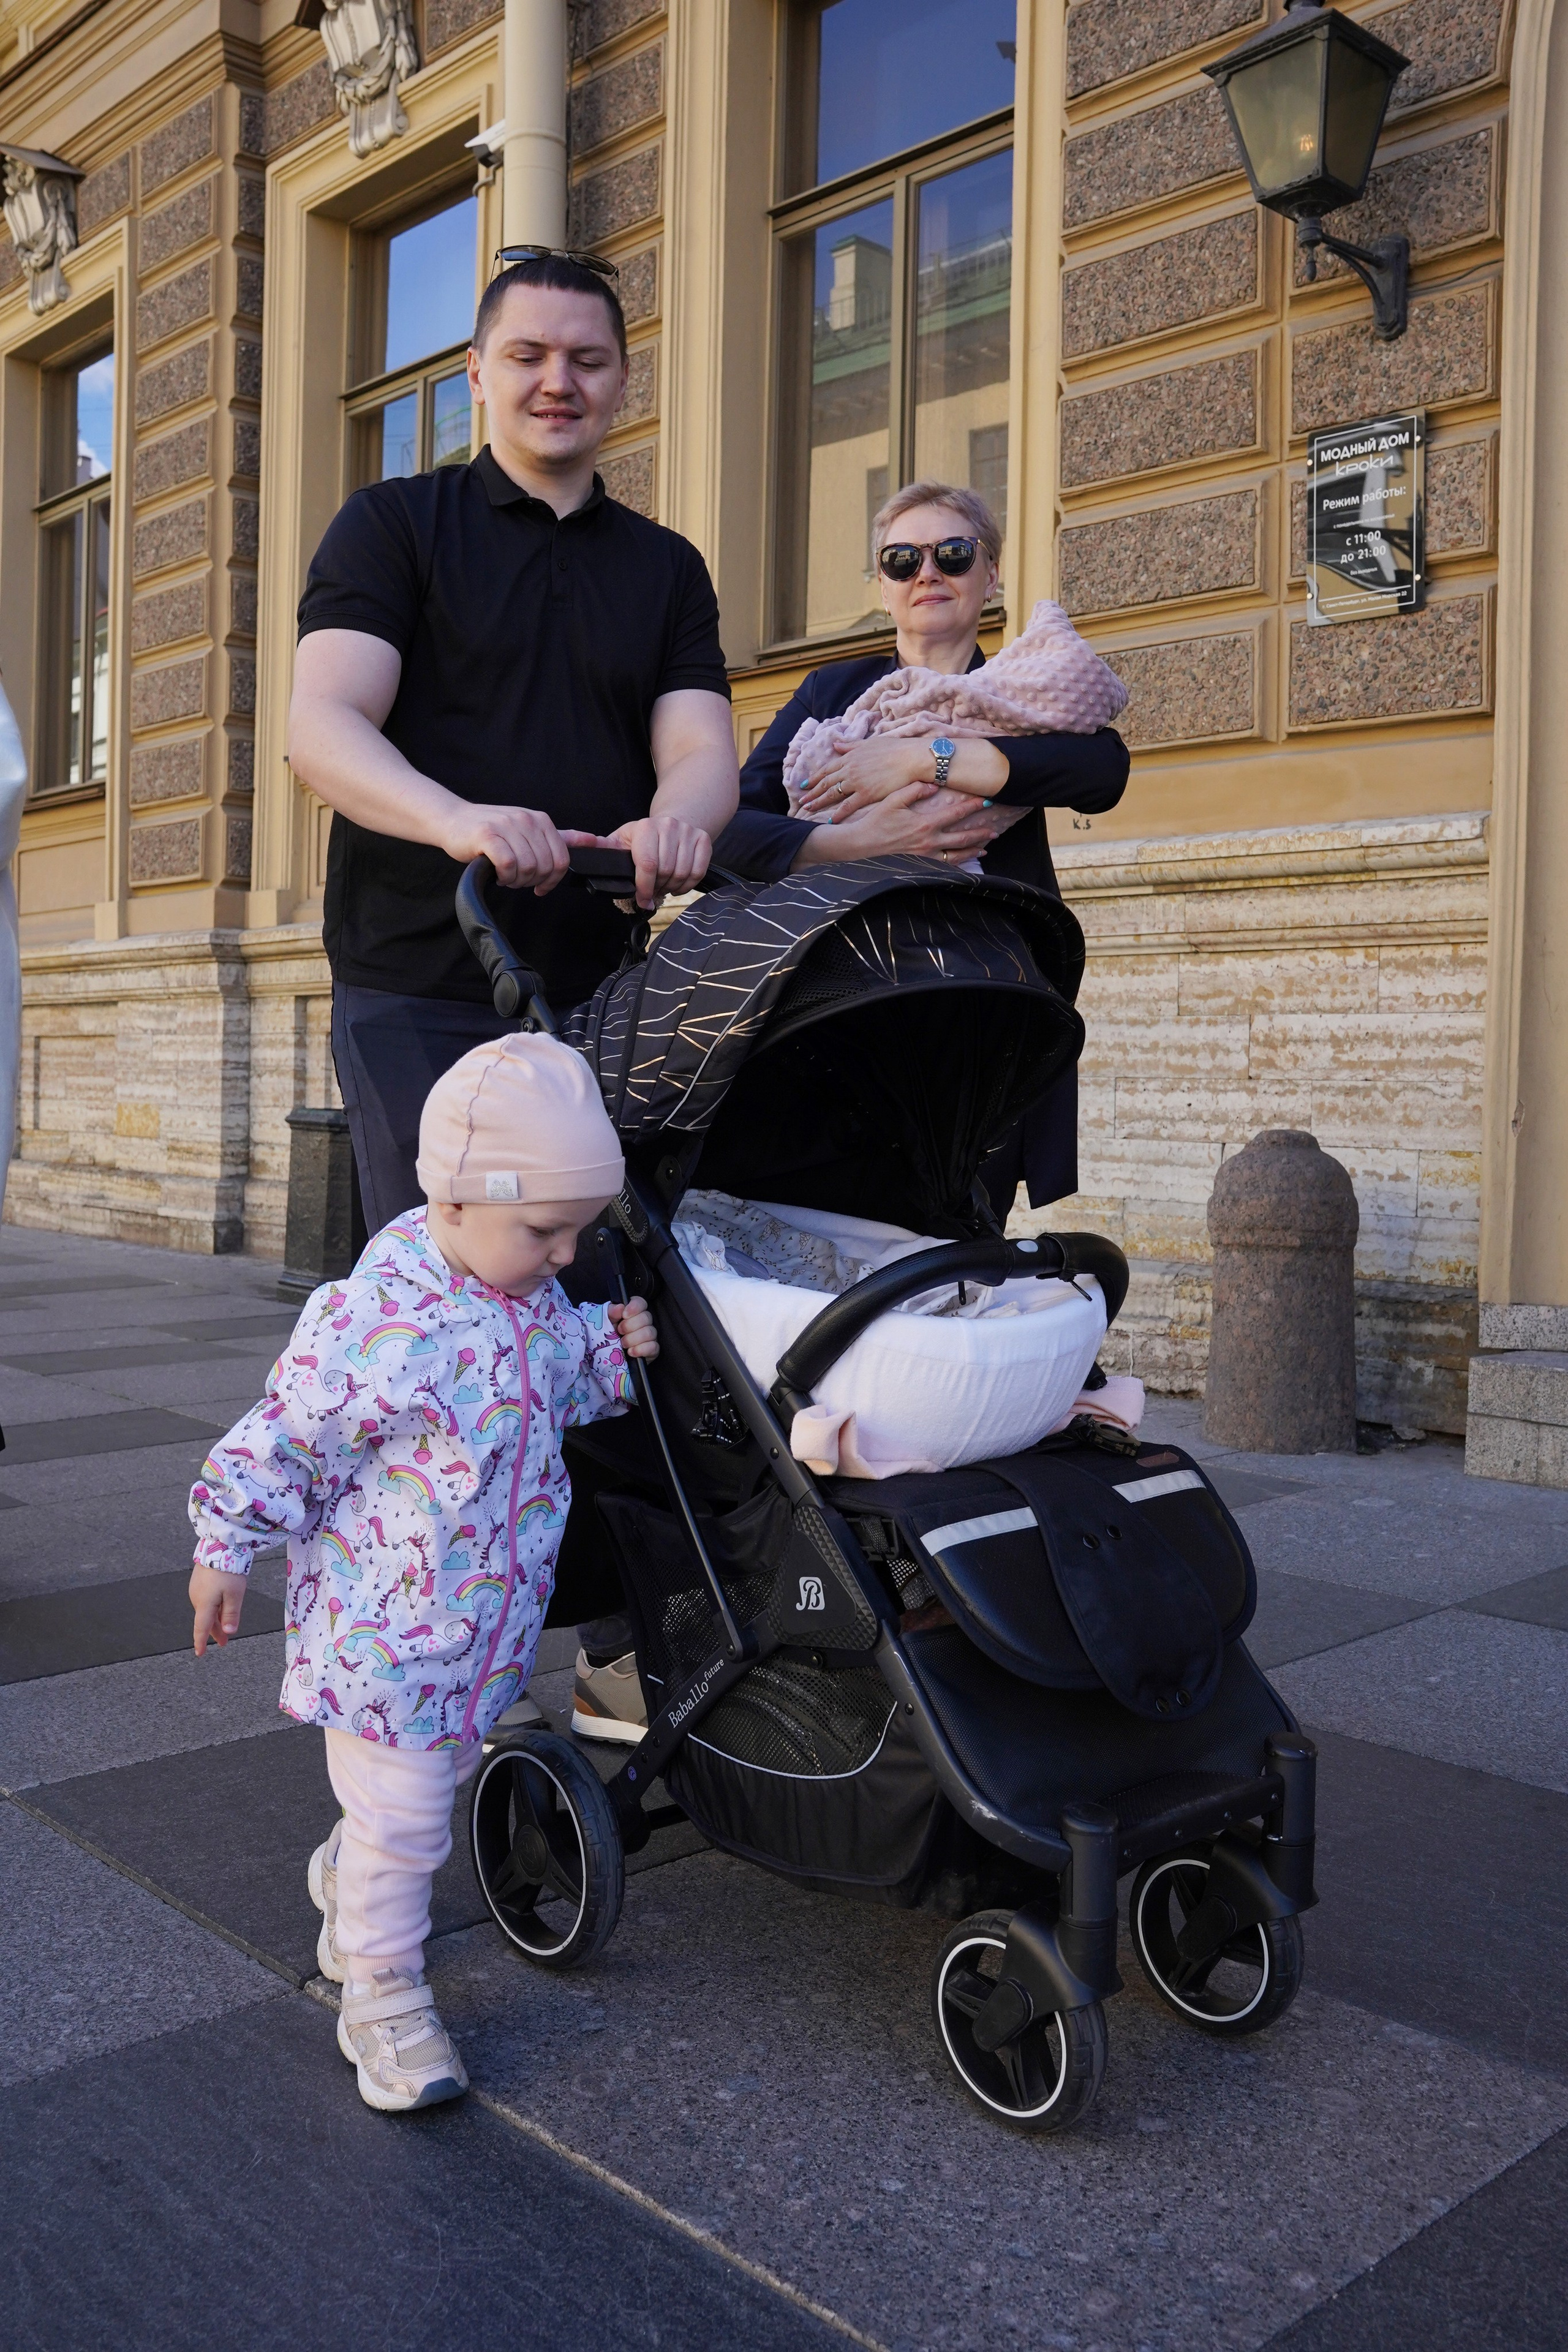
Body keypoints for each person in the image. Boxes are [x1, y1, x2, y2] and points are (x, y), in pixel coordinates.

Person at [187, 1033, 659, 2113]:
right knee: (408, 1819)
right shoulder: (380, 1323)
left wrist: (604, 1349)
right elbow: (288, 1436)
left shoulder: (524, 1294)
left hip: (477, 1634)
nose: (564, 1254)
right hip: (385, 1638)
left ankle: (357, 1876)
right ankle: (384, 1995)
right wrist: (224, 1543)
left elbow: (549, 1383)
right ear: (451, 1201)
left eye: (579, 1232)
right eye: (544, 1229)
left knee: (428, 1795)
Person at [288, 250, 739, 1235]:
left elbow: (701, 754)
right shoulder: (394, 525)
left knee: (593, 1294)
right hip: (414, 980)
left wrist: (676, 828)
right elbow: (321, 727)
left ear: (623, 379)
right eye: (528, 354)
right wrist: (459, 821)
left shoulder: (667, 569)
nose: (557, 381)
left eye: (587, 359)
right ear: (477, 372)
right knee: (449, 1286)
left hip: (597, 993)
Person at [715, 480, 1129, 1212]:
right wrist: (849, 842)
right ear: (883, 587)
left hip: (979, 1012)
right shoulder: (834, 693)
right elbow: (730, 828)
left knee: (961, 1248)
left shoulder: (1021, 691)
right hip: (843, 1005)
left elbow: (1102, 769)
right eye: (902, 560)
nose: (927, 573)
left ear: (990, 576)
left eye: (953, 554)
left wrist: (918, 758)